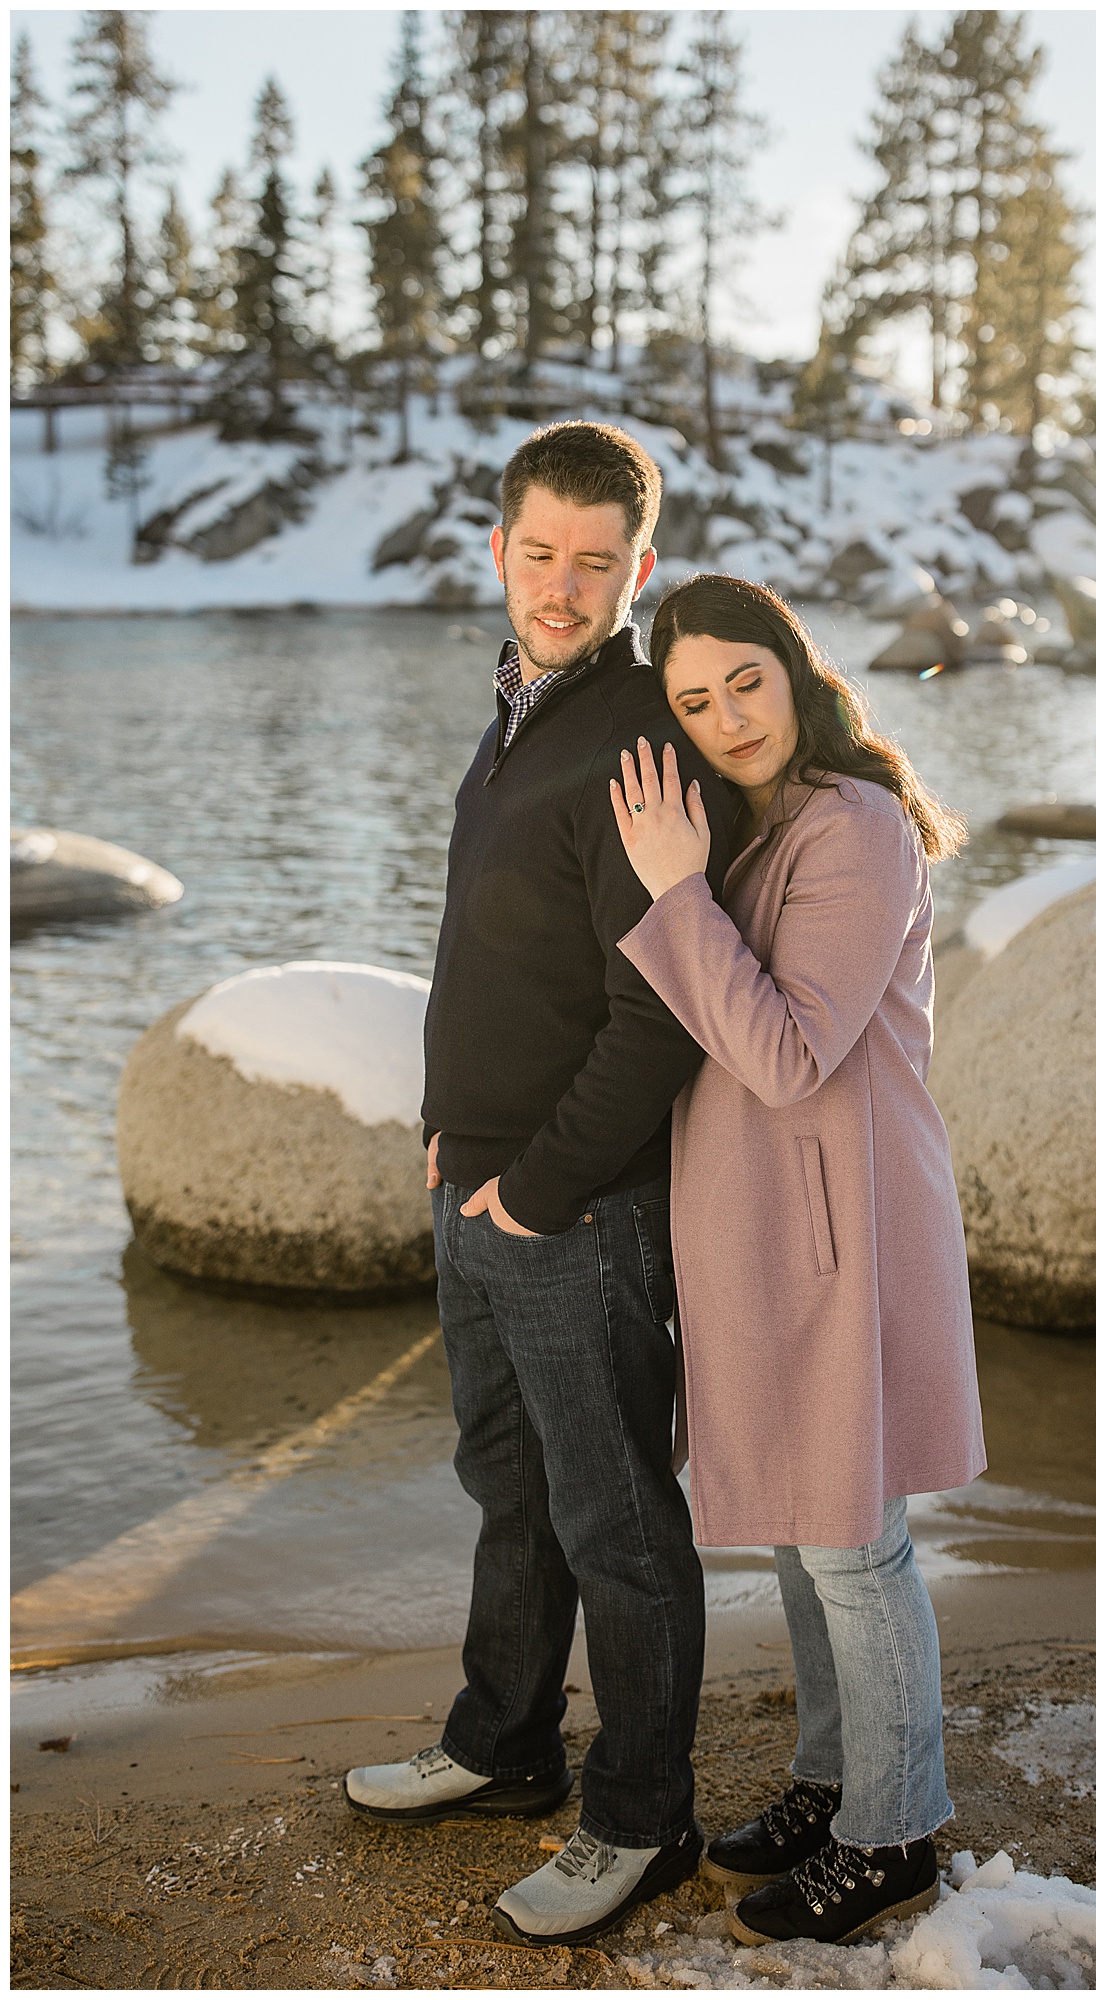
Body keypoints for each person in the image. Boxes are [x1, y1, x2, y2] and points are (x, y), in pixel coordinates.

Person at [343, 425, 736, 1949]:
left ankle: (644, 1816)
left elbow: (659, 1007)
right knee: (508, 1490)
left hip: (578, 1211)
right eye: (538, 554)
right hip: (482, 1185)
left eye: (595, 563)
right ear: (498, 548)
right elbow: (500, 952)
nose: (561, 587)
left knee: (619, 1520)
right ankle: (505, 1744)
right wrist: (457, 1133)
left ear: (639, 568)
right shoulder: (521, 704)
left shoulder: (639, 734)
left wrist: (544, 1187)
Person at [609, 572, 987, 1948]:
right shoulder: (765, 823)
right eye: (693, 703)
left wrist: (670, 891)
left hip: (844, 1222)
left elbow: (783, 1049)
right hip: (767, 1221)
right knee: (798, 1526)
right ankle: (836, 1780)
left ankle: (894, 1832)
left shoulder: (857, 824)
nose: (725, 719)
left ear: (794, 667)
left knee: (852, 1540)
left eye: (743, 684)